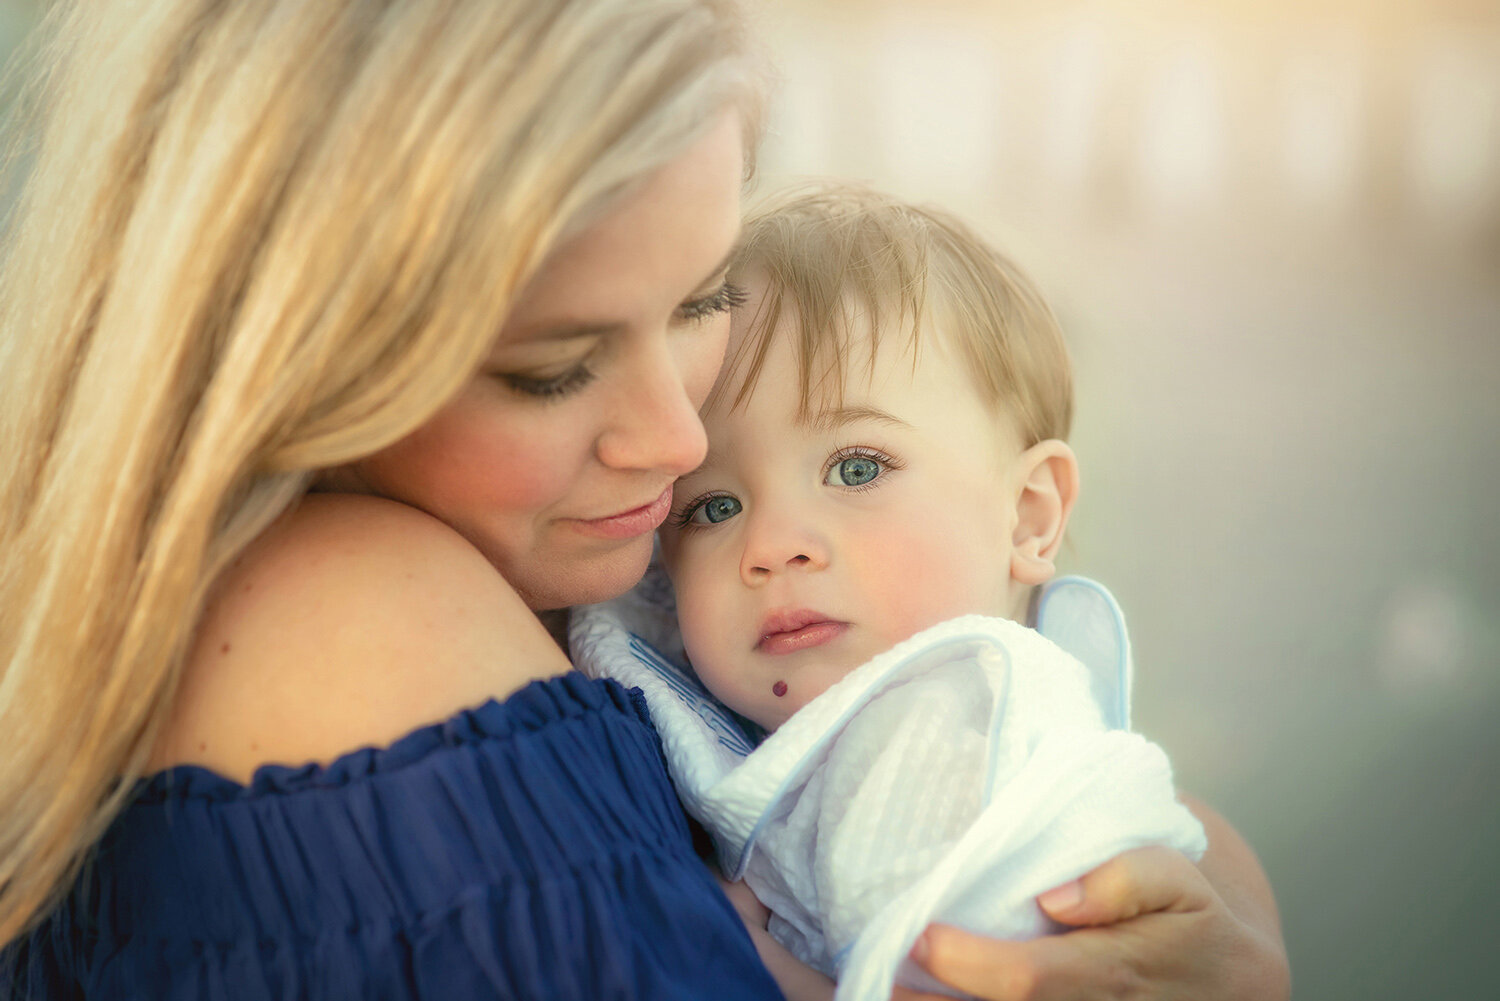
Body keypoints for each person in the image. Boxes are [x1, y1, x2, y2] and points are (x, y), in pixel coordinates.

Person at [0, 1, 1288, 999]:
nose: (678, 441)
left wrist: (1218, 899)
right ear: (281, 353)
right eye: (551, 368)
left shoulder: (575, 569)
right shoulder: (355, 614)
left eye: (700, 298)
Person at [570, 183, 1204, 999]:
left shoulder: (952, 738)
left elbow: (960, 971)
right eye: (714, 506)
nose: (770, 546)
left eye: (857, 468)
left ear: (1025, 515)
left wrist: (763, 974)